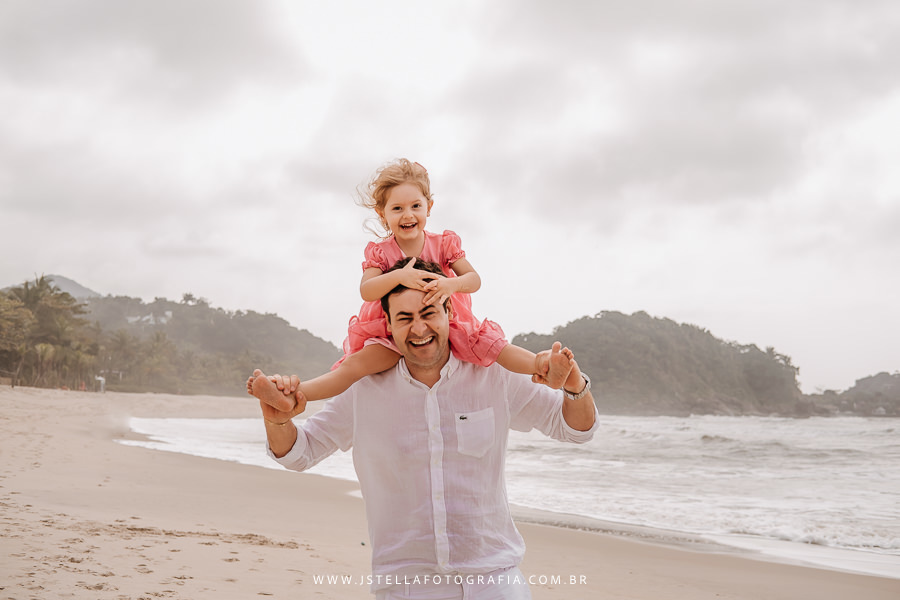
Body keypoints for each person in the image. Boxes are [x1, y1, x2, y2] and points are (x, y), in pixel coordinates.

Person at [258, 258, 598, 599]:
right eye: (405, 318)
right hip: (407, 586)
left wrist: (575, 385)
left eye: (428, 313)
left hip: (496, 580)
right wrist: (278, 420)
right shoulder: (363, 390)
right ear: (388, 325)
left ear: (450, 312)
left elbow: (575, 429)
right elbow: (299, 453)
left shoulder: (495, 375)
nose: (419, 329)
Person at [248, 159, 568, 412]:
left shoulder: (443, 244)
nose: (408, 214)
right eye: (397, 208)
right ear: (382, 214)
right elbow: (367, 290)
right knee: (355, 366)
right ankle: (293, 395)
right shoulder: (382, 253)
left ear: (429, 206)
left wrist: (449, 285)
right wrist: (399, 276)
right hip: (390, 328)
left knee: (492, 344)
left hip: (446, 319)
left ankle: (542, 365)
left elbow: (474, 280)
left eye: (415, 206)